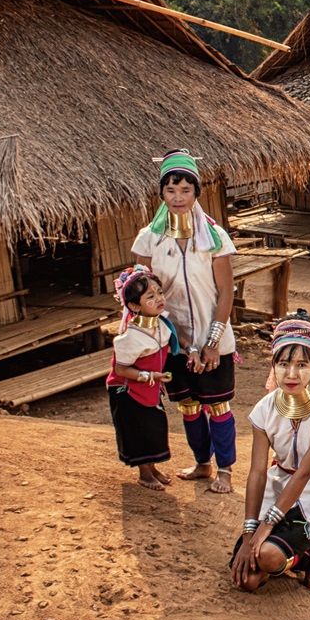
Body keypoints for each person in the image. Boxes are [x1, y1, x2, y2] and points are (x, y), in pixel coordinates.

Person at [131, 149, 238, 493]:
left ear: (196, 193)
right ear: (161, 192)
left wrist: (210, 344)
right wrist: (178, 344)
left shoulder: (215, 237)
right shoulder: (149, 239)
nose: (178, 198)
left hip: (214, 340)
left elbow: (226, 293)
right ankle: (203, 464)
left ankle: (226, 470)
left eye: (185, 191)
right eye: (171, 190)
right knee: (189, 408)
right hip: (170, 341)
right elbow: (141, 296)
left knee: (218, 406)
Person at [230, 312, 310, 592]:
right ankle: (295, 554)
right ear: (273, 366)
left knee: (269, 556)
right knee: (246, 580)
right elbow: (258, 473)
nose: (292, 374)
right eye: (283, 364)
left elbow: (305, 473)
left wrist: (264, 529)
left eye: (301, 365)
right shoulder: (265, 409)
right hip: (276, 489)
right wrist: (249, 534)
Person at [106, 265, 179, 490]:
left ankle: (153, 467)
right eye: (150, 296)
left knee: (153, 426)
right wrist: (150, 375)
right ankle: (144, 473)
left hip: (149, 386)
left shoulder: (161, 325)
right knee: (137, 429)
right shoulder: (130, 337)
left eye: (159, 292)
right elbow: (121, 370)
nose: (158, 298)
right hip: (127, 390)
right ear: (134, 306)